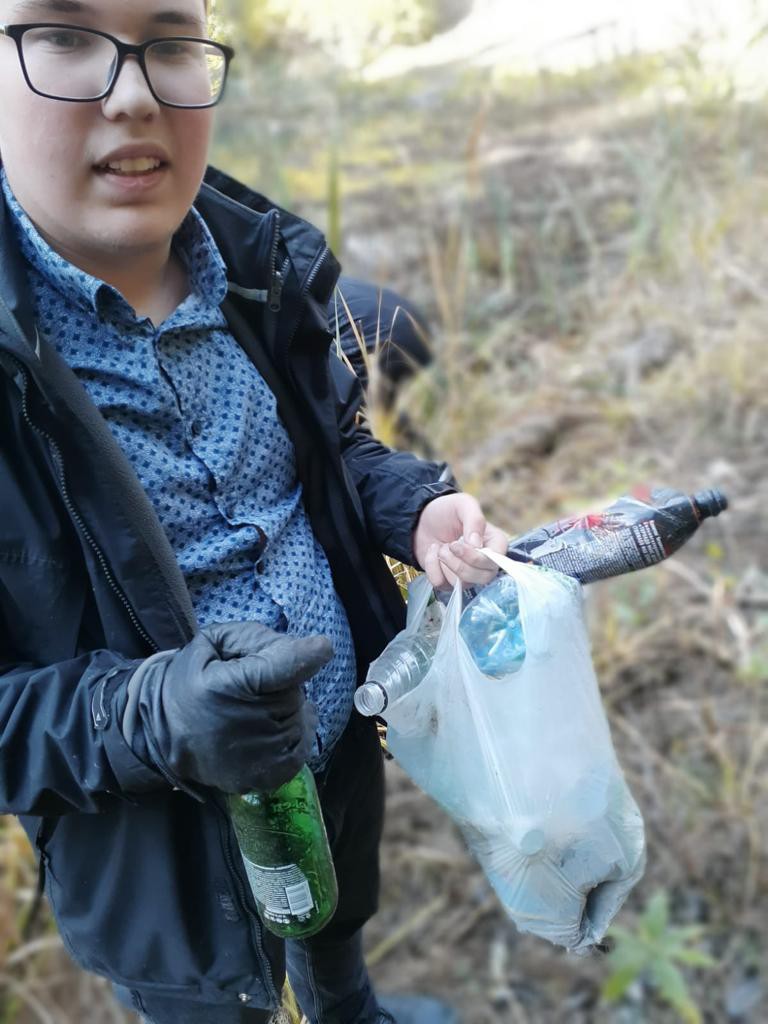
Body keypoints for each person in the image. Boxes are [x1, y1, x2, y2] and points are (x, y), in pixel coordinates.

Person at [0, 2, 508, 1023]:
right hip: (164, 847)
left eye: (172, 41)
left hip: (337, 741)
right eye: (63, 35)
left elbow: (333, 450)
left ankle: (348, 1007)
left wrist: (414, 508)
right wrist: (155, 714)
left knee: (335, 917)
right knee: (218, 1001)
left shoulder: (259, 267)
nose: (134, 92)